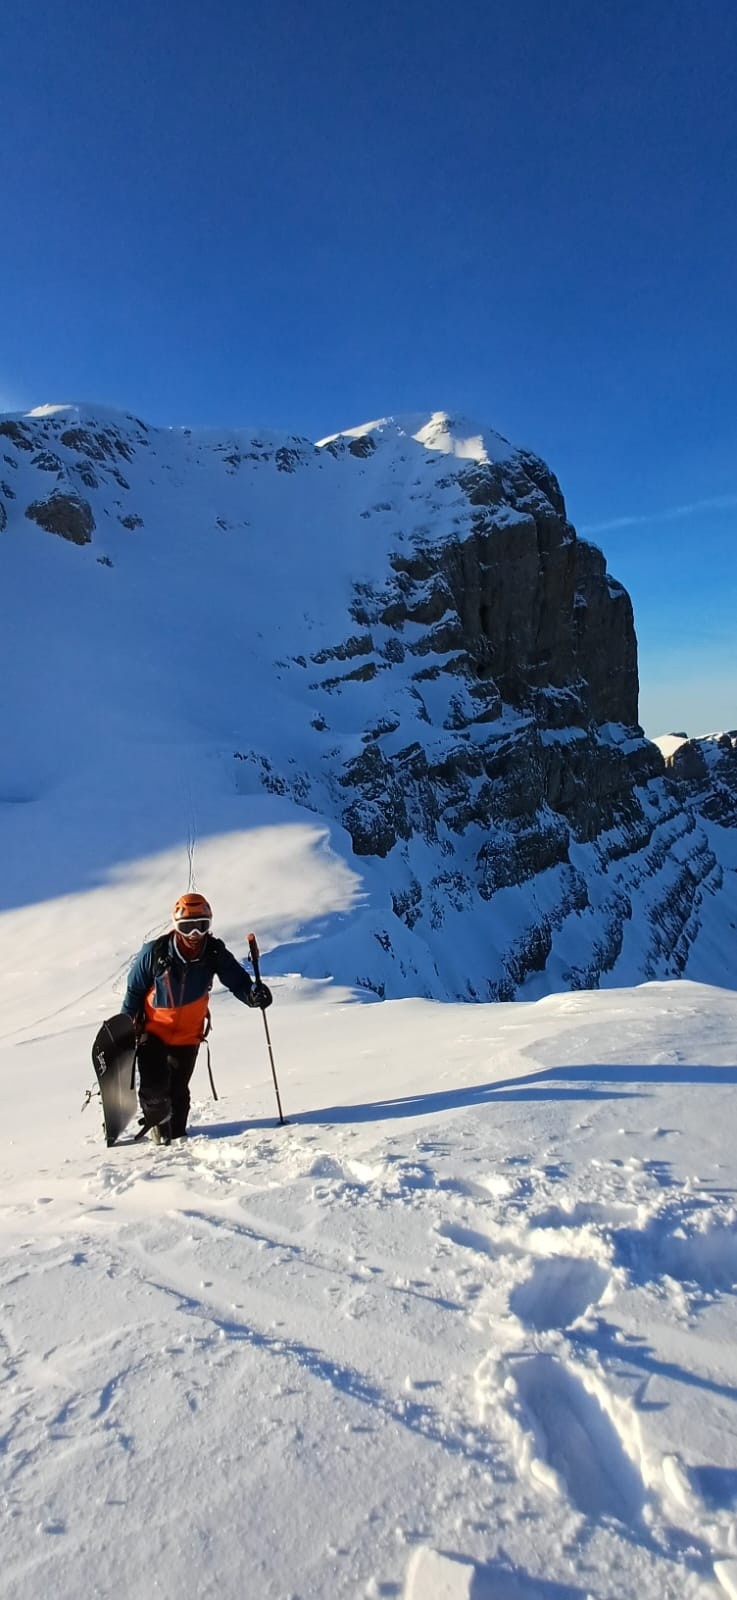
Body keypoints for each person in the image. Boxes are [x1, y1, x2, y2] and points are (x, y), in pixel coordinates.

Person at [122, 892, 272, 1143]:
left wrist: (253, 995)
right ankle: (158, 1127)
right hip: (153, 1032)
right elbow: (134, 991)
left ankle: (174, 1137)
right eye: (187, 927)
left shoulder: (213, 952)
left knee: (178, 1098)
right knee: (155, 1090)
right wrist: (124, 1029)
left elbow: (238, 981)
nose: (194, 934)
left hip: (188, 1037)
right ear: (176, 926)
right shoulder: (155, 952)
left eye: (201, 926)